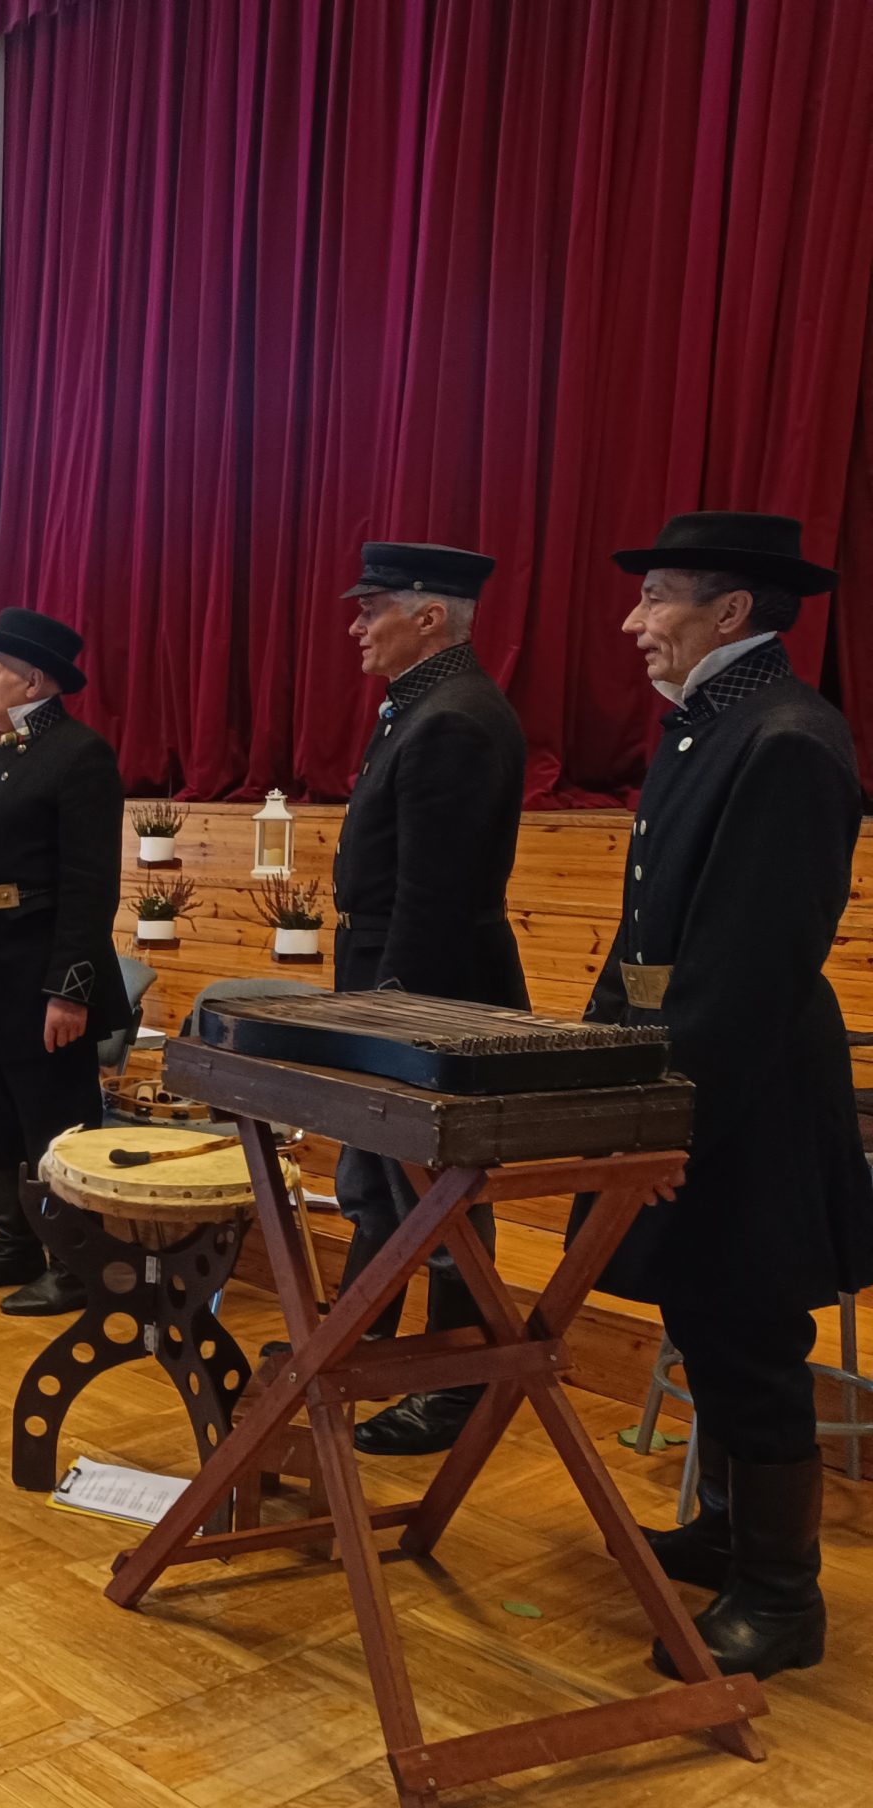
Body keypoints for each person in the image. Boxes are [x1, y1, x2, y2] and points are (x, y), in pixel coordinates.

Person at [580, 511, 870, 1684]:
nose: (633, 622)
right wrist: (595, 1068)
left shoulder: (785, 737)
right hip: (687, 1069)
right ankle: (723, 1531)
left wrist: (666, 1116)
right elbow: (648, 940)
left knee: (751, 1334)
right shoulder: (713, 724)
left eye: (656, 597)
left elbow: (747, 968)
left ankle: (781, 1596)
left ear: (731, 611)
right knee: (703, 1315)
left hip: (746, 1094)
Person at [328, 543, 530, 1455]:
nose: (357, 627)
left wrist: (392, 1015)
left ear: (430, 616)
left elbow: (434, 898)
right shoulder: (423, 706)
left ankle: (452, 1389)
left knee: (441, 1194)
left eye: (371, 609)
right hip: (390, 972)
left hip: (427, 987)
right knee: (383, 1182)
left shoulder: (454, 718)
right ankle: (355, 1349)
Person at [0, 610, 129, 1311]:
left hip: (36, 971)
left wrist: (70, 989)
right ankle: (11, 1244)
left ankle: (73, 1265)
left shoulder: (80, 755)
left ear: (34, 680)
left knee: (52, 1119)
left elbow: (89, 885)